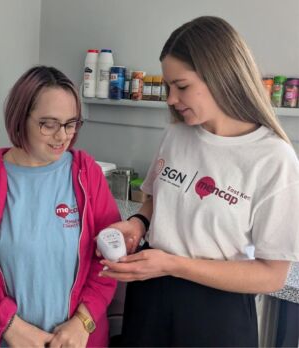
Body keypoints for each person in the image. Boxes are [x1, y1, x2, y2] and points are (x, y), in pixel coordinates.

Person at [100, 16, 299, 347]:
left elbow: (271, 274)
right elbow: (154, 201)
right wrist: (137, 223)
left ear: (221, 76)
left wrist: (174, 265)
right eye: (167, 87)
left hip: (216, 309)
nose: (170, 99)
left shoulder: (273, 159)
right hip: (150, 294)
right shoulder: (177, 135)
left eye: (181, 86)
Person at [0, 66, 120, 347]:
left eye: (71, 123)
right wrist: (9, 326)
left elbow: (108, 258)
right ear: (21, 118)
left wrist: (83, 321)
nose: (62, 136)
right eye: (49, 124)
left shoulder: (86, 173)